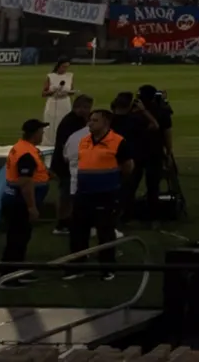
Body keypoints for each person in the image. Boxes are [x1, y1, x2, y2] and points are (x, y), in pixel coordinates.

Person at [67, 107, 123, 276]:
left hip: (105, 194)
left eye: (95, 120)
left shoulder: (118, 141)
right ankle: (77, 267)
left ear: (106, 123)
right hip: (83, 193)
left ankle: (107, 269)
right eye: (90, 119)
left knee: (105, 232)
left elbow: (128, 166)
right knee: (78, 231)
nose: (90, 123)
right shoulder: (84, 140)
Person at [1, 119, 46, 267]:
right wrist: (32, 207)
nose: (43, 135)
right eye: (41, 132)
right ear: (34, 134)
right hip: (20, 203)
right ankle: (10, 275)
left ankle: (16, 270)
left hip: (15, 199)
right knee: (18, 238)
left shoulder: (21, 147)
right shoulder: (26, 153)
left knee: (17, 237)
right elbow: (26, 183)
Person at [107, 90, 156, 223]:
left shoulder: (108, 120)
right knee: (129, 188)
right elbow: (154, 125)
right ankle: (125, 214)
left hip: (111, 158)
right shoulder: (136, 120)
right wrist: (144, 111)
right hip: (133, 158)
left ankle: (115, 213)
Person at [51, 95, 91, 224]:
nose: (88, 111)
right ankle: (62, 223)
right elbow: (66, 145)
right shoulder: (72, 122)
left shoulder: (75, 120)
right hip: (65, 164)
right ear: (78, 107)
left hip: (66, 162)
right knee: (66, 194)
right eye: (86, 108)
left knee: (69, 193)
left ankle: (67, 219)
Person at [39, 59, 74, 133]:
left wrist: (68, 92)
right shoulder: (51, 76)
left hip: (65, 103)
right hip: (53, 102)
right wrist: (53, 91)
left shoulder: (69, 76)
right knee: (52, 123)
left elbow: (71, 91)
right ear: (58, 66)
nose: (65, 69)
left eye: (67, 67)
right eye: (63, 67)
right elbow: (43, 93)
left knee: (65, 123)